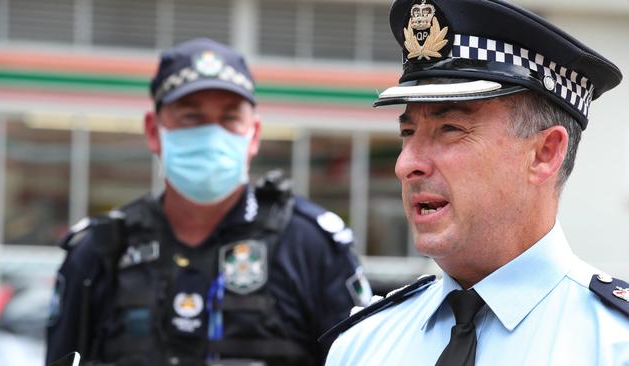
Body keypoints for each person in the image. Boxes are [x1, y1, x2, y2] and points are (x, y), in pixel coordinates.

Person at [323, 0, 629, 365]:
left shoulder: (613, 345)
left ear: (545, 152)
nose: (406, 164)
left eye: (450, 129)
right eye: (407, 132)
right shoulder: (363, 345)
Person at [46, 38, 371, 366]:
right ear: (153, 132)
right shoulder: (100, 250)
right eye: (192, 118)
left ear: (253, 134)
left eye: (229, 118)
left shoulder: (310, 245)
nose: (212, 135)